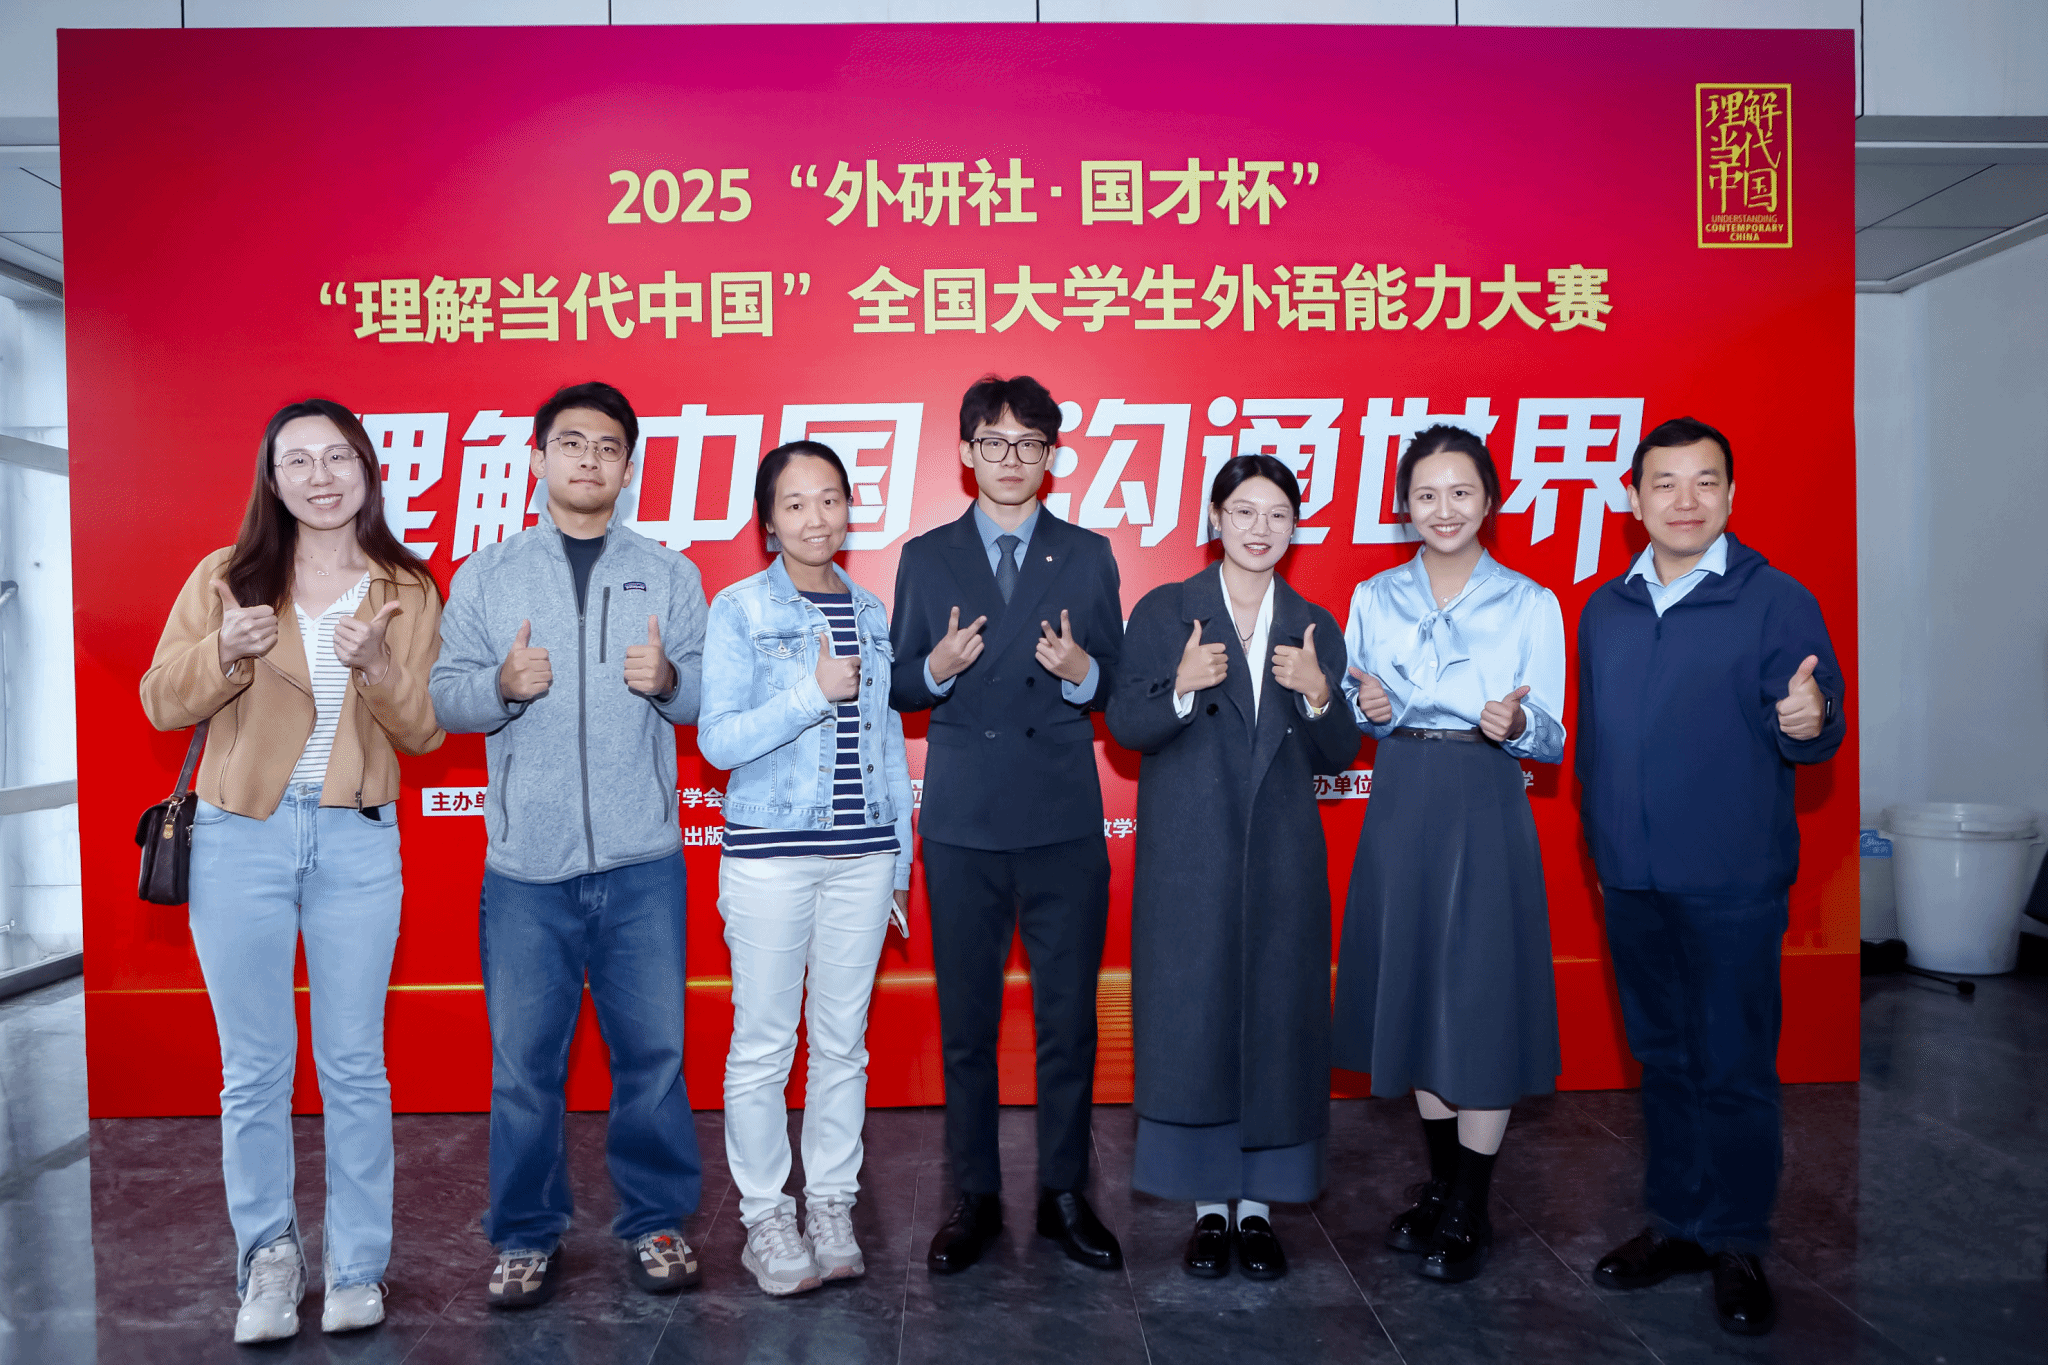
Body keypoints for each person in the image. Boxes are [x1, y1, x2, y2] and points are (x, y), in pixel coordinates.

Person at [140, 399, 444, 1343]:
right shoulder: (225, 577)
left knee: (354, 1065)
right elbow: (159, 700)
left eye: (338, 457)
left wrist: (379, 667)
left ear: (366, 469)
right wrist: (222, 654)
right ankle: (268, 1258)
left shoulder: (406, 586)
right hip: (240, 838)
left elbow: (425, 731)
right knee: (254, 1071)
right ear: (272, 481)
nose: (321, 476)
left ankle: (357, 1264)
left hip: (357, 838)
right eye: (299, 460)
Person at [428, 381, 708, 1309]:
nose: (590, 459)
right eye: (573, 443)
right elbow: (443, 697)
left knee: (654, 1059)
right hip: (526, 869)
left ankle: (656, 1220)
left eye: (609, 447)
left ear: (629, 468)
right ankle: (524, 1233)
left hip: (642, 862)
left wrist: (671, 680)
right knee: (523, 1069)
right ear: (538, 458)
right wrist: (500, 687)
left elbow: (709, 697)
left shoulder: (669, 572)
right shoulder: (487, 573)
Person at [1576, 417, 1844, 1337]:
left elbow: (1813, 720)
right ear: (1633, 497)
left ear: (1732, 495)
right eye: (1665, 482)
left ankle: (1736, 1239)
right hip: (1632, 880)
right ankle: (1678, 1223)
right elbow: (1598, 744)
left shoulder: (1776, 600)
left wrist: (1809, 718)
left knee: (1733, 1065)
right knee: (1661, 1060)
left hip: (1732, 881)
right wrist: (1604, 855)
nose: (1684, 500)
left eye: (1704, 482)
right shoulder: (1605, 608)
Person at [889, 374, 1126, 1274]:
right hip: (964, 820)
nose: (1012, 459)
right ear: (966, 453)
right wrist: (937, 669)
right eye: (994, 442)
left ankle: (1065, 1192)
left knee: (1068, 1019)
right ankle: (976, 1195)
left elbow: (1119, 685)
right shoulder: (927, 556)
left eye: (1030, 443)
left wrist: (1080, 674)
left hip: (1062, 817)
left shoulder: (1088, 554)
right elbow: (899, 683)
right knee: (968, 1024)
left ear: (1052, 456)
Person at [1107, 455, 1361, 1281]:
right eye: (1244, 511)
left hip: (1283, 860)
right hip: (1191, 857)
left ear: (1295, 528)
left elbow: (1337, 751)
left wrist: (1320, 693)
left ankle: (1257, 1212)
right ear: (1215, 518)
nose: (1260, 528)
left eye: (1277, 514)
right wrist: (1178, 688)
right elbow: (1125, 724)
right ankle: (1208, 1212)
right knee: (1196, 1025)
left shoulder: (1312, 623)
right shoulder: (1166, 609)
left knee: (1277, 1028)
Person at [1332, 424, 1567, 1284]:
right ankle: (1440, 1185)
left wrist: (1520, 722)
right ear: (1404, 506)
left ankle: (1472, 1200)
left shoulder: (1531, 602)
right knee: (1419, 987)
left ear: (1490, 501)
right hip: (1402, 793)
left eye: (1461, 492)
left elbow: (1555, 732)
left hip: (1483, 796)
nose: (1444, 509)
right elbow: (1354, 705)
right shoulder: (1373, 596)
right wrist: (1366, 708)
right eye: (1426, 494)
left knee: (1479, 993)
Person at [696, 441, 914, 1297]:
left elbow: (887, 742)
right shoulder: (739, 608)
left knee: (842, 1044)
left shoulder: (871, 609)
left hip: (864, 857)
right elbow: (718, 740)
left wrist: (898, 858)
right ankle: (765, 1215)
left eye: (829, 499)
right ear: (768, 522)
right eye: (794, 503)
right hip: (771, 856)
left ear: (849, 510)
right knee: (763, 1042)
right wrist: (810, 692)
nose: (815, 517)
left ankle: (830, 1203)